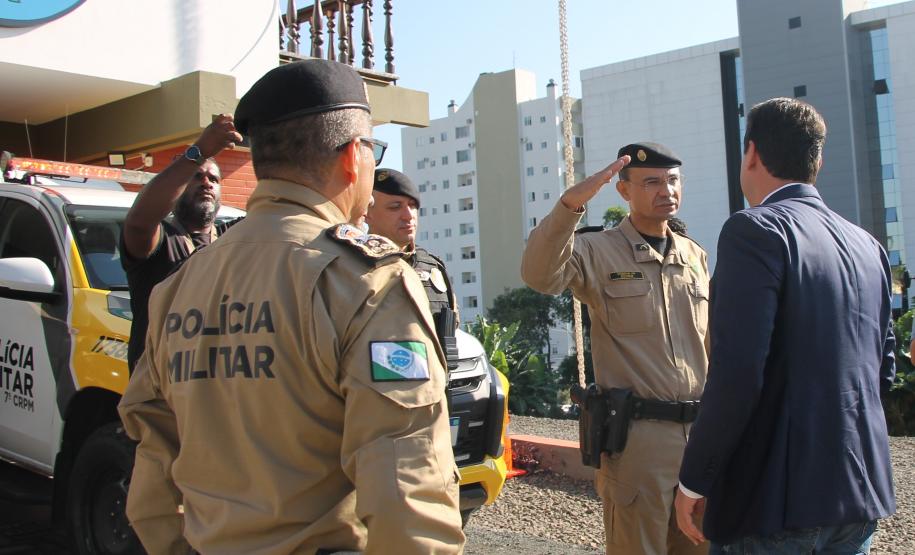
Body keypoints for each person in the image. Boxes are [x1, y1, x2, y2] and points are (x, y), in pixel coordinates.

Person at [118, 59, 465, 554]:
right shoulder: (366, 280)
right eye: (373, 149)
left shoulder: (182, 283)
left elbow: (153, 466)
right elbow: (407, 489)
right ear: (352, 157)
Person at [675, 97, 896, 553]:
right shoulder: (868, 245)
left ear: (751, 153)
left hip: (772, 505)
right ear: (817, 159)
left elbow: (737, 376)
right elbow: (882, 370)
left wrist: (694, 482)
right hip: (859, 495)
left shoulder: (754, 231)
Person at [522, 142, 711, 554]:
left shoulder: (695, 257)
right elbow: (539, 275)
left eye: (672, 181)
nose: (666, 190)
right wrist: (571, 205)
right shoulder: (597, 250)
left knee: (701, 546)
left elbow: (709, 346)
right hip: (638, 440)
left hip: (699, 439)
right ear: (623, 190)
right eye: (652, 183)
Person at [119, 115, 241, 372]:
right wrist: (200, 151)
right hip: (160, 395)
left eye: (214, 179)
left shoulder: (232, 236)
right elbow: (139, 221)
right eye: (196, 176)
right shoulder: (160, 239)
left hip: (215, 390)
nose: (206, 182)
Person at [366, 168, 459, 363]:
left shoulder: (432, 267)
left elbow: (451, 327)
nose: (408, 215)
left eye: (413, 206)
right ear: (367, 213)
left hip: (438, 385)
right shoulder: (355, 265)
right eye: (395, 207)